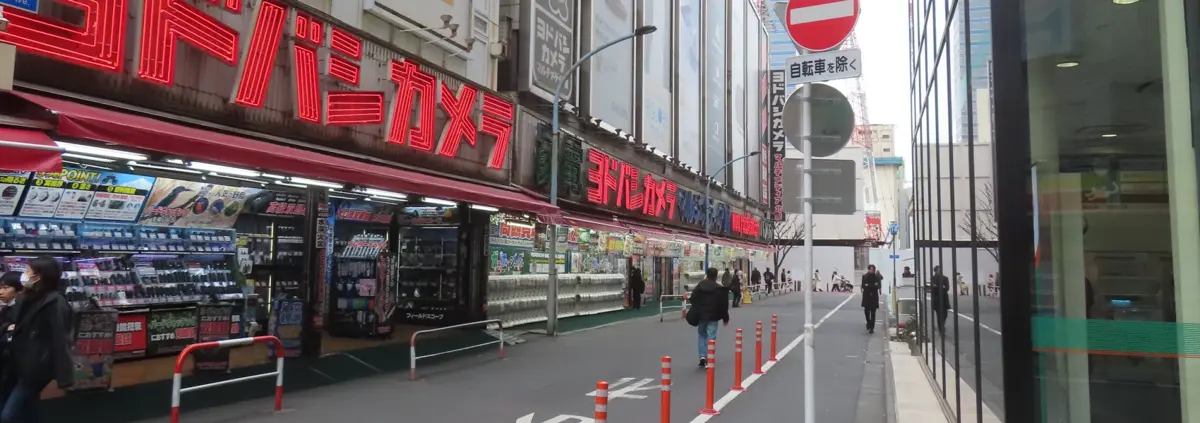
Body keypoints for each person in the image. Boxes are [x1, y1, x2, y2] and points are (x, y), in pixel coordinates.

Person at [3, 256, 74, 422]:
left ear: (39, 276)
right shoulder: (27, 298)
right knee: (28, 409)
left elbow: (60, 338)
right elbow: (14, 323)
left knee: (8, 415)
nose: (24, 275)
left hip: (37, 367)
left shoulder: (55, 303)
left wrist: (65, 376)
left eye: (28, 272)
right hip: (20, 362)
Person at [688, 268, 730, 368]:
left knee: (702, 334)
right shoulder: (718, 288)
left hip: (702, 315)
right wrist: (725, 318)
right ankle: (709, 358)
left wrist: (699, 306)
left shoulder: (700, 285)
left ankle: (702, 356)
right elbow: (723, 305)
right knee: (711, 336)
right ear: (716, 276)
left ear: (707, 275)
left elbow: (692, 298)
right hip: (714, 316)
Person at [930, 265, 952, 336]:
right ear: (935, 271)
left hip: (944, 299)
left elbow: (947, 288)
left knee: (945, 315)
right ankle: (941, 329)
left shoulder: (945, 278)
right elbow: (933, 287)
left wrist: (938, 286)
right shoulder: (933, 278)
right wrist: (941, 287)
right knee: (939, 315)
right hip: (936, 299)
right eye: (938, 270)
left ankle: (942, 326)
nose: (939, 271)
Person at [861, 265, 883, 333]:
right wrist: (873, 285)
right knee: (866, 311)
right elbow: (864, 286)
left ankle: (872, 327)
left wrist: (869, 285)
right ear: (868, 270)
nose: (872, 271)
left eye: (873, 269)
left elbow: (878, 286)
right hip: (866, 295)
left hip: (874, 296)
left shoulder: (877, 277)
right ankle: (868, 322)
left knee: (873, 312)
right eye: (871, 269)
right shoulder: (865, 276)